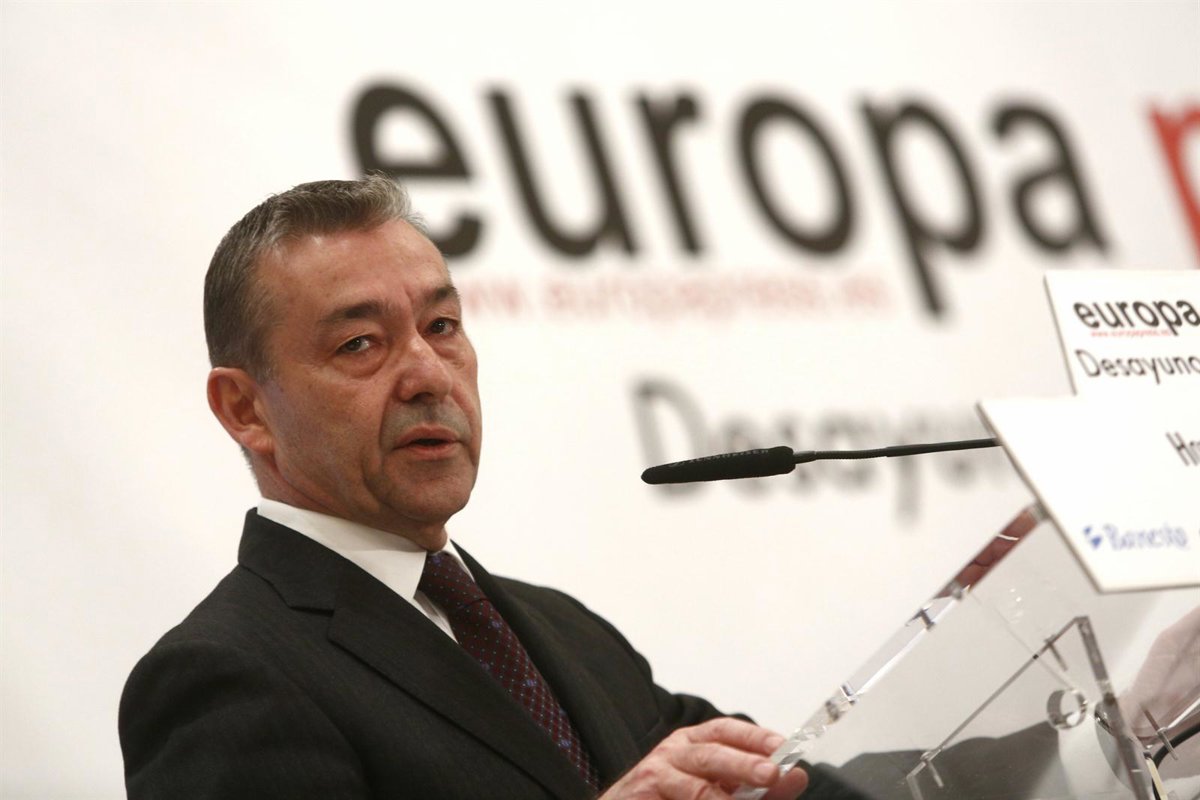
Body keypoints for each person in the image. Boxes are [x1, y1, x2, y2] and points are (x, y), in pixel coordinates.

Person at [118, 176, 810, 800]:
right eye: (360, 343)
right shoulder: (223, 676)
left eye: (441, 326)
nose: (429, 375)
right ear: (245, 409)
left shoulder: (564, 630)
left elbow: (770, 777)